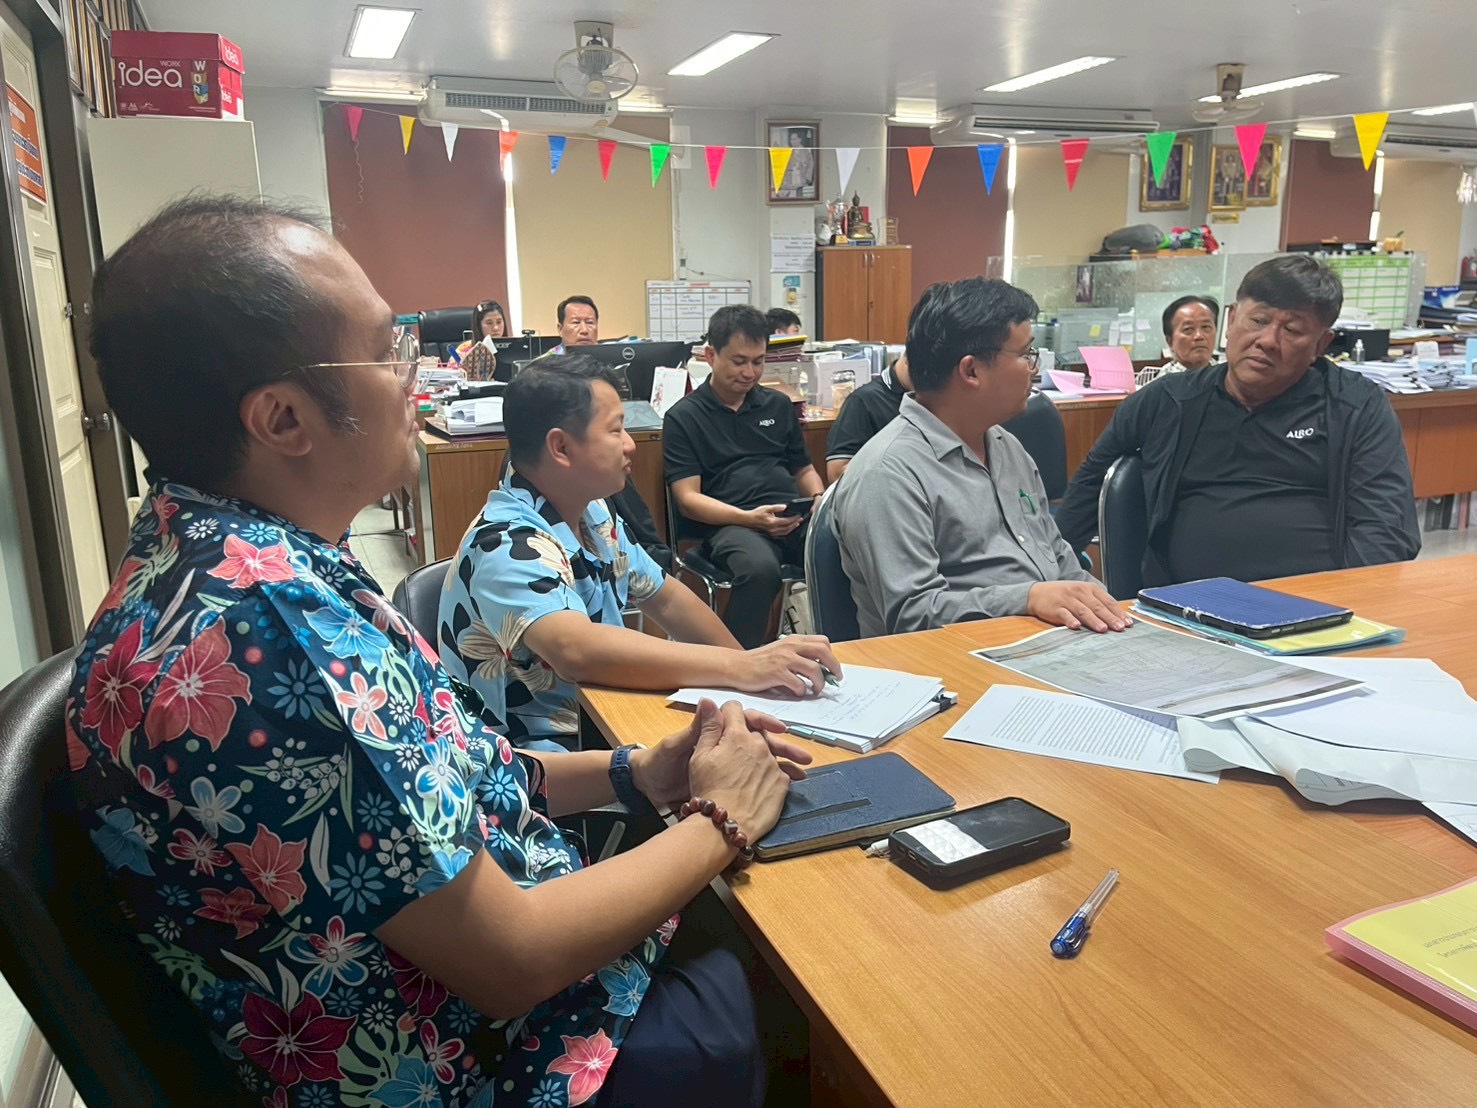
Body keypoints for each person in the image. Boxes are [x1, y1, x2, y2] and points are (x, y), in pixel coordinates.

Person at [71, 195, 811, 1107]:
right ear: (283, 420)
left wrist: (642, 772)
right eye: (387, 352)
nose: (414, 381)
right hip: (483, 1061)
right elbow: (513, 960)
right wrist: (721, 817)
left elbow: (463, 779)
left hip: (493, 976)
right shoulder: (262, 634)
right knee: (793, 981)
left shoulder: (249, 555)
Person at [439, 355, 842, 750]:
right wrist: (743, 667)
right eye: (616, 430)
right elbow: (576, 651)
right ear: (561, 447)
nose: (630, 444)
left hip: (605, 720)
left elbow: (665, 598)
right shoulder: (505, 543)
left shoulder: (593, 512)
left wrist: (753, 680)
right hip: (535, 760)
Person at [1057, 255, 1420, 586]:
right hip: (1182, 604)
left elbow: (1386, 529)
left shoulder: (1355, 406)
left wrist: (1347, 601)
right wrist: (1051, 576)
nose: (1268, 341)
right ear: (1231, 321)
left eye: (1292, 330)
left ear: (1320, 345)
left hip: (1316, 607)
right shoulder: (1169, 400)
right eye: (1258, 321)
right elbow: (1090, 482)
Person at [831, 277, 1127, 638]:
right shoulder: (888, 472)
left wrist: (1106, 612)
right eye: (1025, 355)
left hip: (1049, 640)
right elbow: (912, 615)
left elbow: (1059, 559)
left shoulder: (1006, 446)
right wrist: (1028, 598)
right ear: (971, 371)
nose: (1034, 369)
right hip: (958, 655)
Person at [665, 305, 824, 648]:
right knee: (759, 569)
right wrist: (750, 519)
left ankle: (847, 649)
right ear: (711, 355)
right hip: (731, 524)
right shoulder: (684, 417)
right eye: (739, 362)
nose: (750, 372)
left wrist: (819, 502)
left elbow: (804, 469)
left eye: (758, 361)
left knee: (843, 547)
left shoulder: (777, 405)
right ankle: (737, 661)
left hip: (791, 516)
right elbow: (688, 499)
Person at [824, 354, 913, 482]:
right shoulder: (863, 401)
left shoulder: (933, 397)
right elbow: (837, 474)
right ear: (909, 359)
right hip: (888, 488)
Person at [1155, 295, 1220, 375]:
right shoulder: (1165, 380)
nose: (1199, 336)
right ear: (1170, 342)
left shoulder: (1226, 375)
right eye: (1188, 329)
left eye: (1206, 327)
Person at [453, 298, 509, 365]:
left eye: (499, 322)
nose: (495, 328)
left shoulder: (514, 348)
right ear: (479, 326)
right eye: (489, 323)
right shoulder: (463, 351)